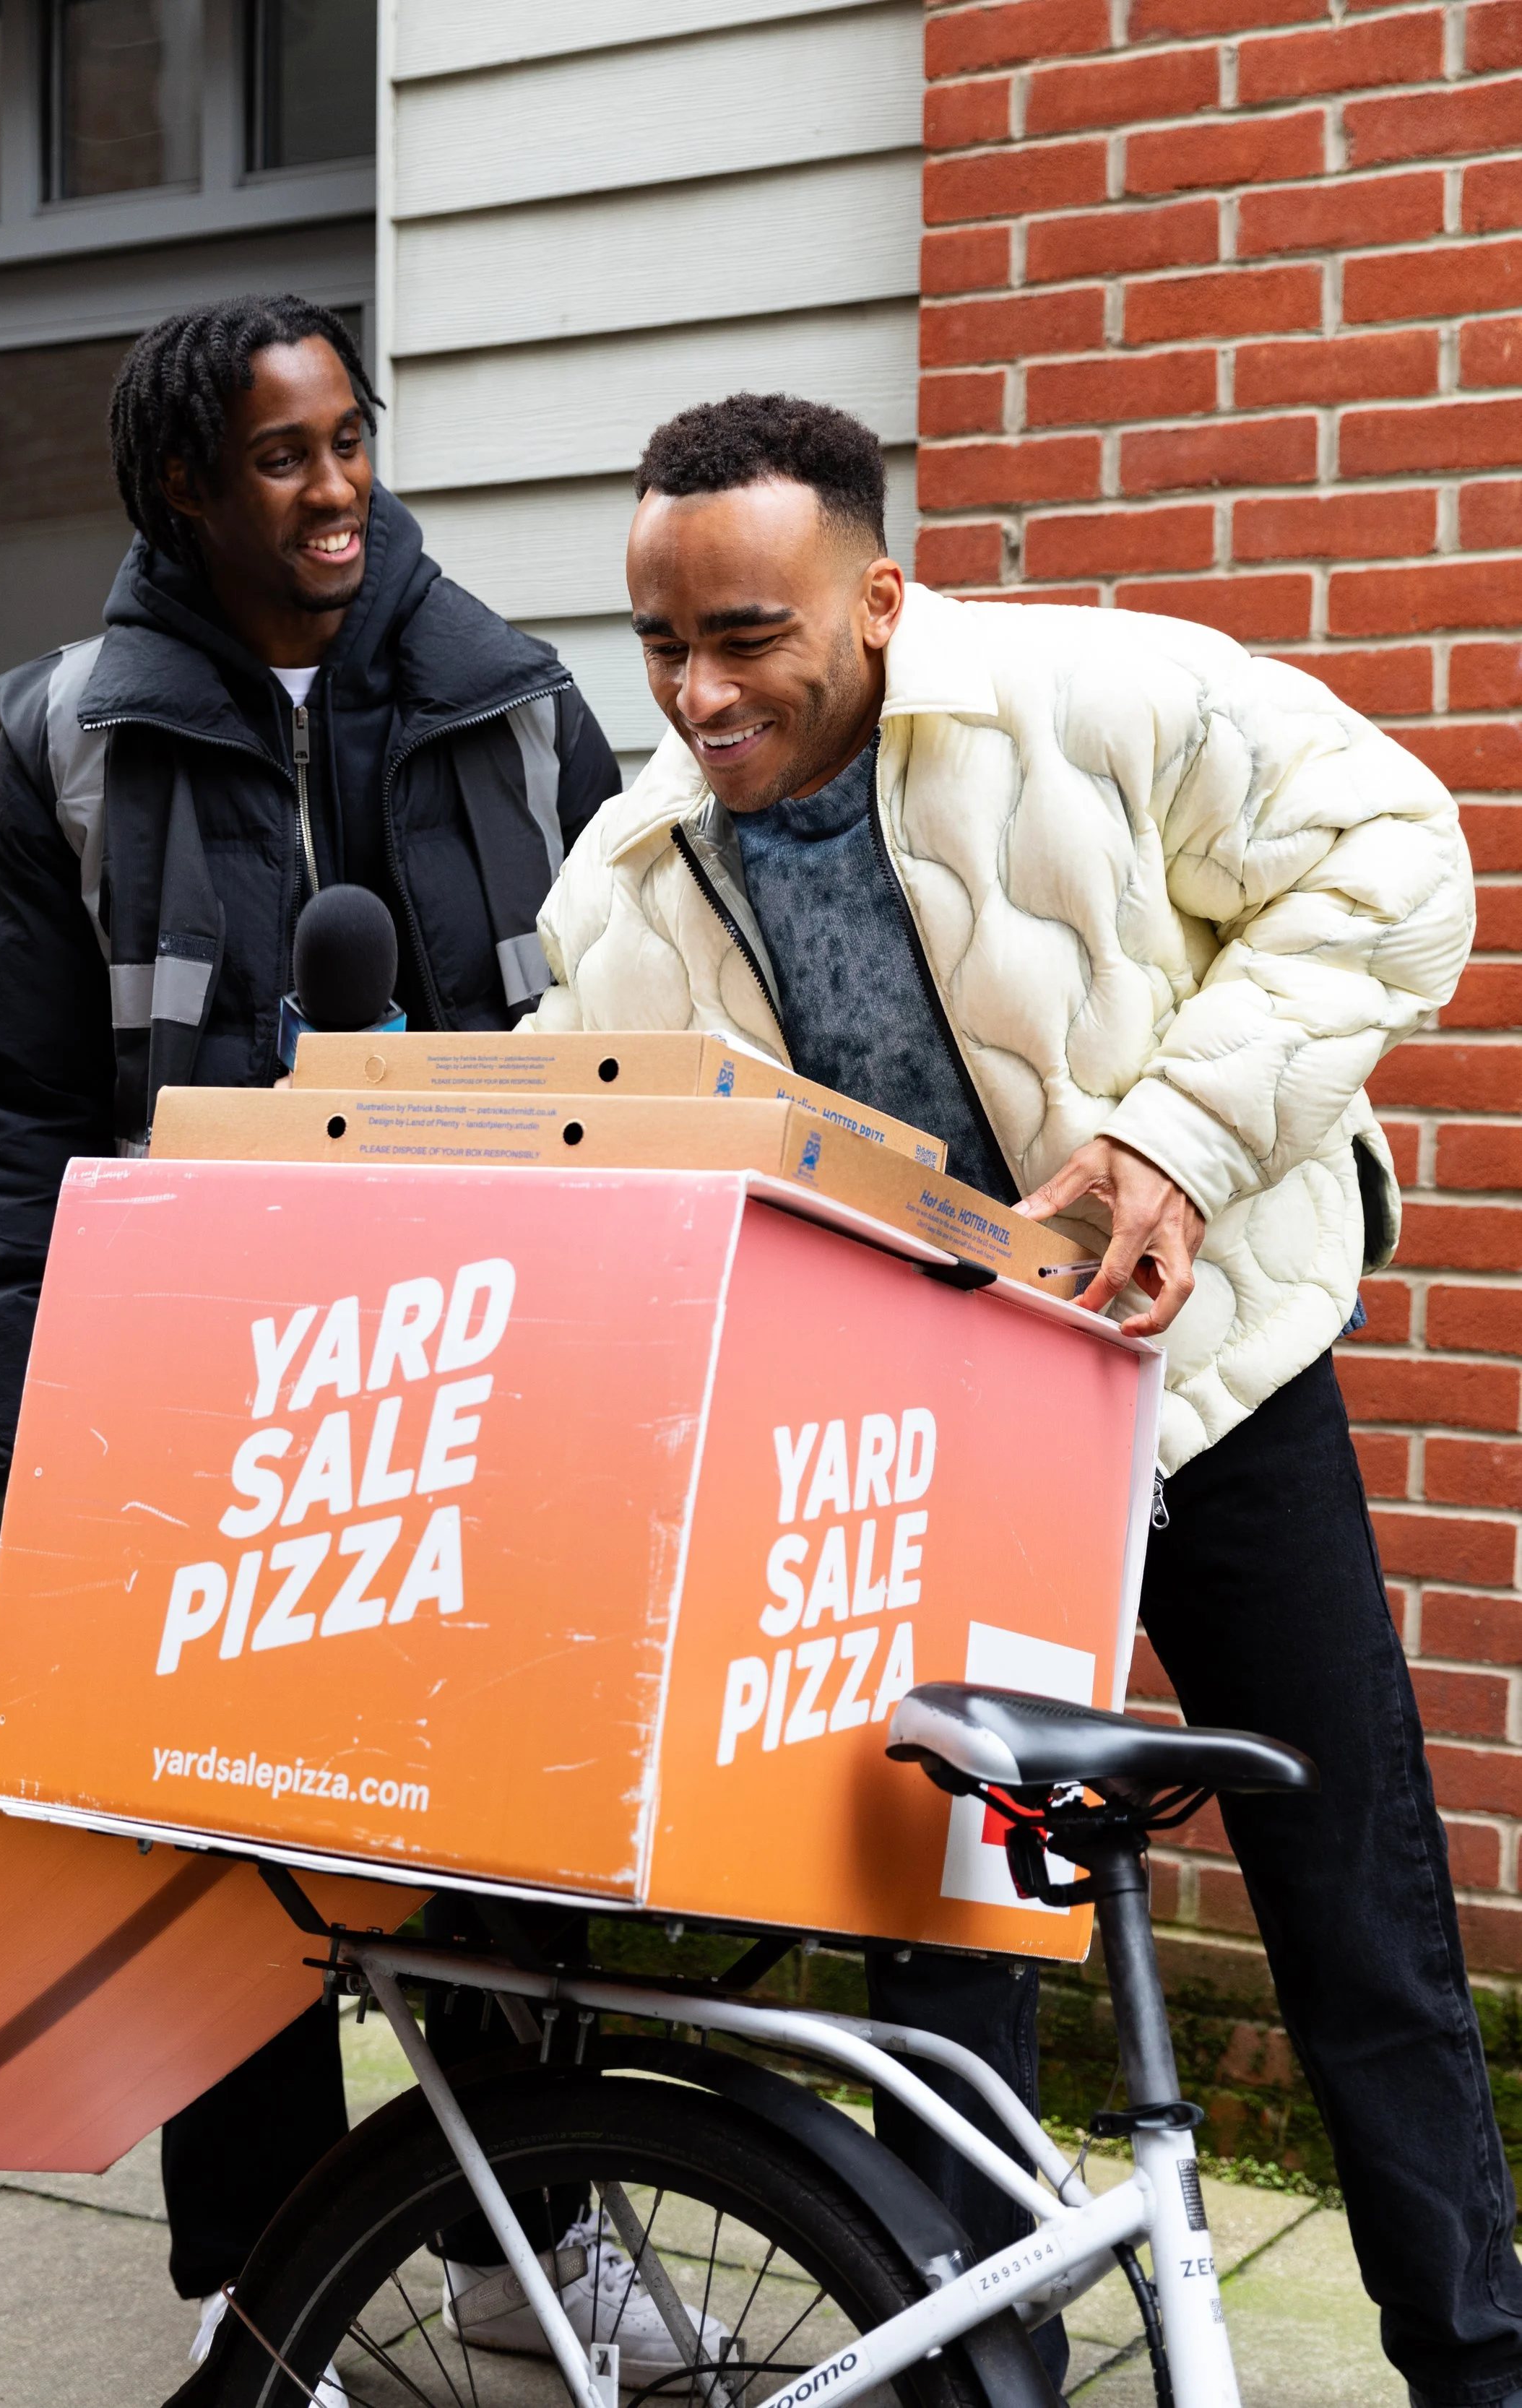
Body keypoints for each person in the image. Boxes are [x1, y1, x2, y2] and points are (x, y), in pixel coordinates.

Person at [525, 390, 1513, 2408]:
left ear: (876, 598)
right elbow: (593, 1155)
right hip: (929, 1450)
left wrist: (1175, 1134)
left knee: (1354, 1906)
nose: (699, 694)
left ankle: (1477, 2360)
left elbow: (1402, 857)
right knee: (947, 1946)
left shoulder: (1105, 698)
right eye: (660, 645)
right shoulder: (624, 888)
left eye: (745, 636)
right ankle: (990, 2371)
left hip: (1208, 1375)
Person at [0, 295, 623, 2362]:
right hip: (200, 1402)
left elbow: (633, 1032)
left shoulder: (518, 703)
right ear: (180, 480)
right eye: (279, 455)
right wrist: (27, 1430)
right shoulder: (66, 732)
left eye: (350, 438)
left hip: (499, 1370)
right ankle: (263, 2290)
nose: (335, 487)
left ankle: (533, 2247)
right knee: (222, 1860)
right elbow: (26, 1112)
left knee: (512, 1830)